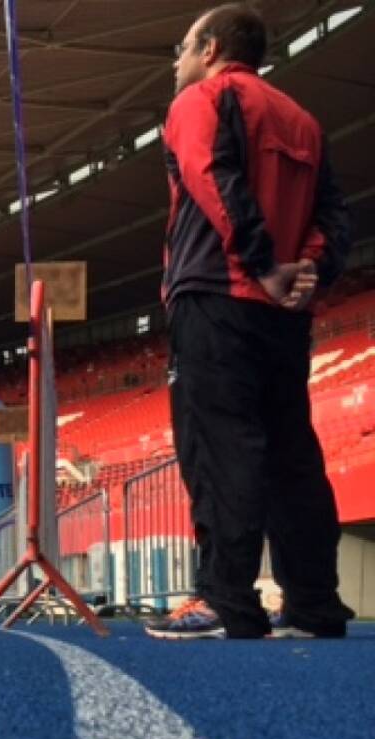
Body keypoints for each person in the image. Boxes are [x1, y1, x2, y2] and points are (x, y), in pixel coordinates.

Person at [148, 3, 352, 640]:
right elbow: (333, 214)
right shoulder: (303, 120)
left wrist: (261, 263)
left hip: (217, 296)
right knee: (292, 453)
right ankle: (315, 605)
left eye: (181, 49)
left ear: (210, 49)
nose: (176, 63)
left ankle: (225, 601)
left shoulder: (202, 99)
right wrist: (310, 268)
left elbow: (214, 178)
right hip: (284, 314)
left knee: (219, 450)